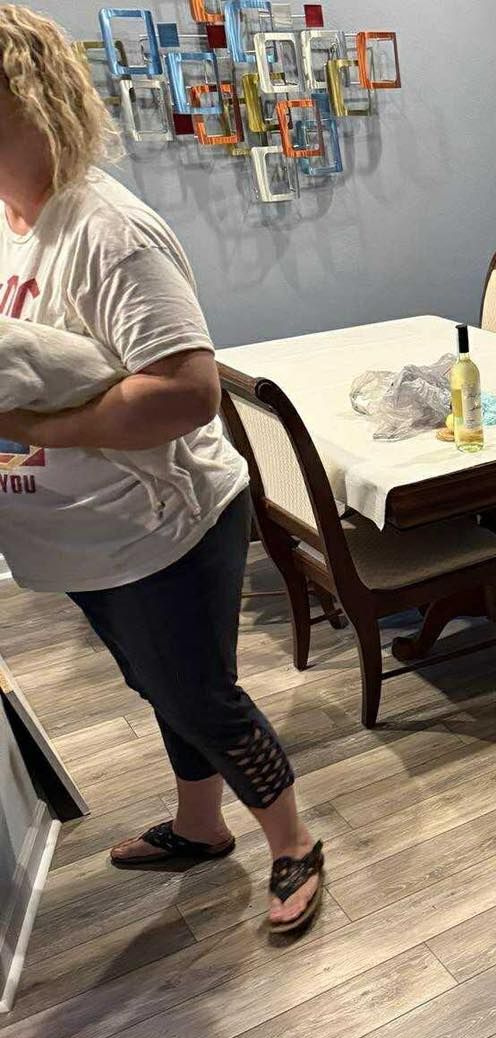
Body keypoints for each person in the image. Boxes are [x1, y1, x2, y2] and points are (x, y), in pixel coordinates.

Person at [0, 6, 324, 934]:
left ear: (22, 94)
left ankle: (294, 841)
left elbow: (186, 393)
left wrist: (21, 421)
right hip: (86, 533)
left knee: (200, 695)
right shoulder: (12, 223)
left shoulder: (108, 232)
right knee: (157, 684)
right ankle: (200, 824)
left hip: (164, 529)